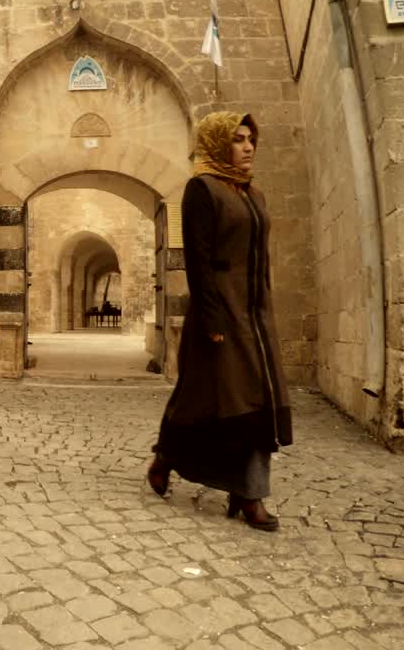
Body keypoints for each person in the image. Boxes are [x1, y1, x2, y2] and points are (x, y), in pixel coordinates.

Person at [146, 111, 293, 532]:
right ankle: (234, 488)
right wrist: (212, 320)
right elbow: (199, 261)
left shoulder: (254, 195)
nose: (248, 147)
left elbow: (259, 260)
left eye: (251, 140)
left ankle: (242, 488)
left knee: (253, 402)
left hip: (256, 316)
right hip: (221, 315)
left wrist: (264, 308)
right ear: (216, 144)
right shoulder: (202, 189)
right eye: (238, 139)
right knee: (209, 402)